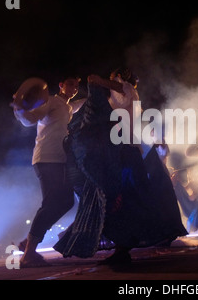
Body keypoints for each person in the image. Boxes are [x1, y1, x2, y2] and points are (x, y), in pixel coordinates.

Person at [54, 73, 187, 264]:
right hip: (121, 153)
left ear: (118, 77)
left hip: (125, 153)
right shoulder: (116, 99)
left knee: (123, 200)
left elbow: (110, 85)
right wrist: (66, 102)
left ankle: (124, 247)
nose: (111, 82)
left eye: (113, 78)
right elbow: (84, 106)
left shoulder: (127, 90)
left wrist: (98, 81)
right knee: (121, 201)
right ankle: (122, 248)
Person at [12, 76, 86, 267]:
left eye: (77, 86)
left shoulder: (67, 106)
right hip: (47, 159)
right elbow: (30, 119)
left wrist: (106, 90)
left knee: (67, 202)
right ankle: (28, 254)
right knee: (51, 203)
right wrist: (19, 107)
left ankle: (30, 242)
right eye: (70, 84)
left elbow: (81, 103)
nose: (74, 88)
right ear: (60, 85)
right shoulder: (51, 101)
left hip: (59, 161)